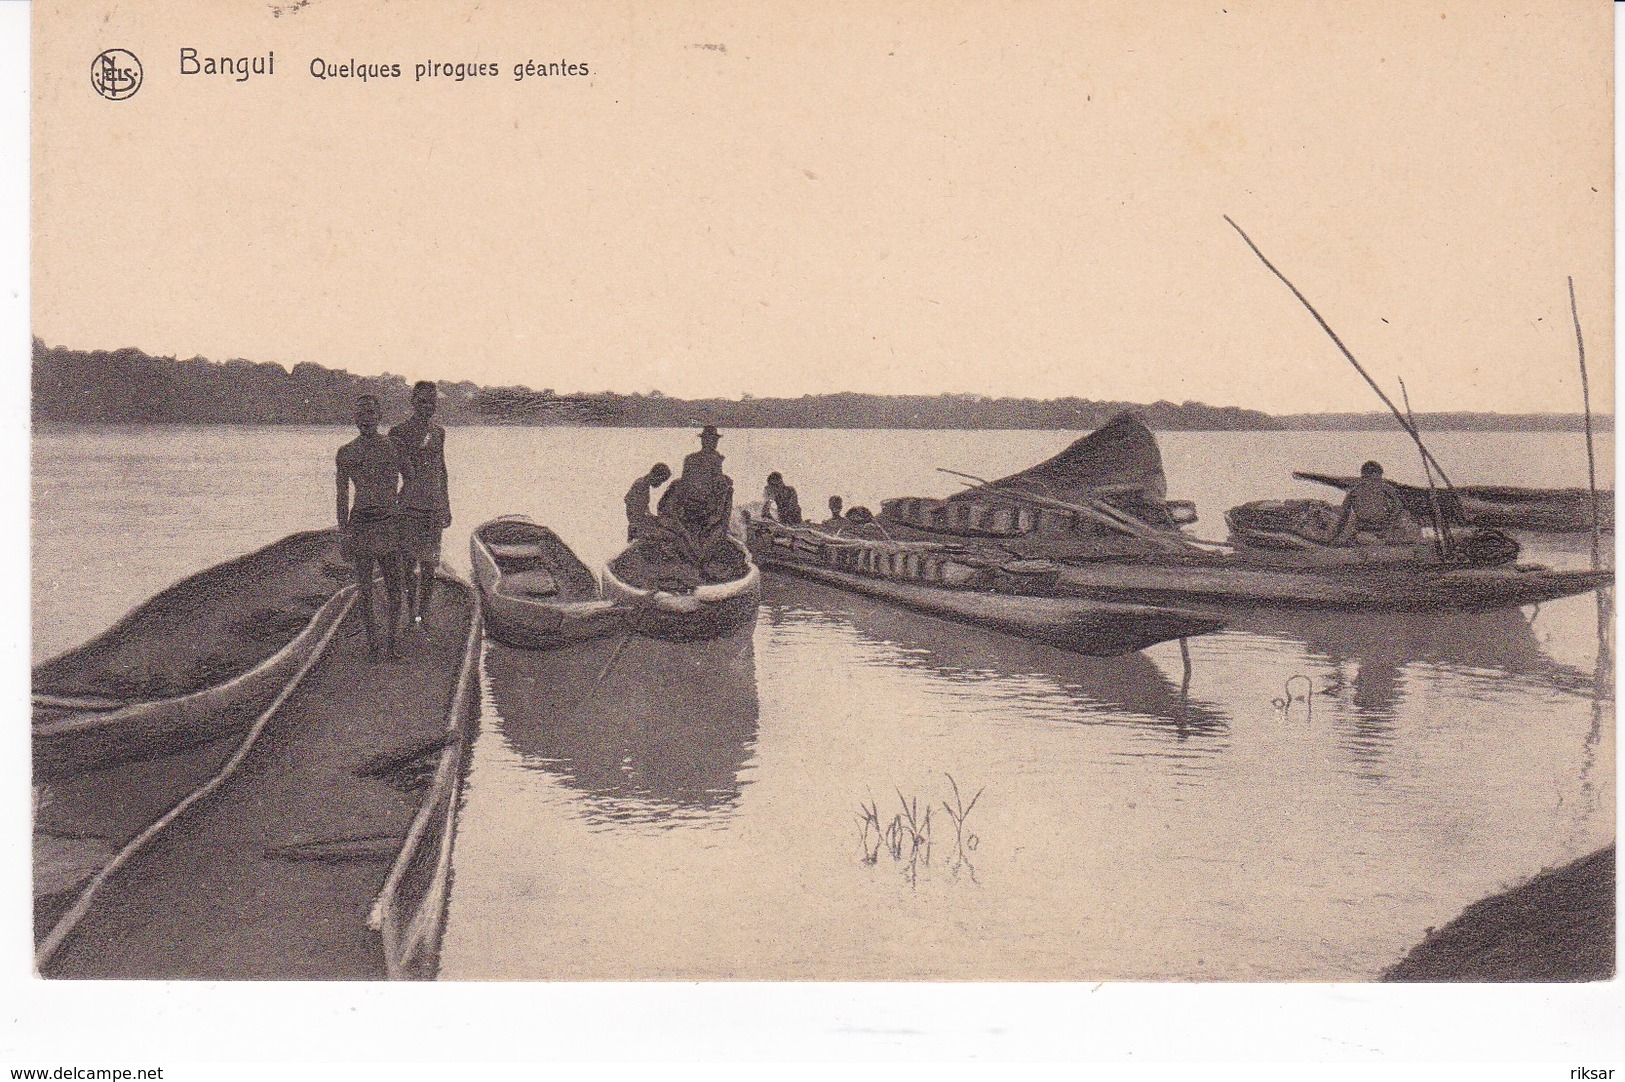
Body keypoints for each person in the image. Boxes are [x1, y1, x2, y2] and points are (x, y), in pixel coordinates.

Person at [336, 394, 405, 660]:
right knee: (364, 586)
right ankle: (373, 643)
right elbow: (342, 496)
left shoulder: (393, 446)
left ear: (379, 417)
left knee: (394, 584)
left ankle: (393, 640)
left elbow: (410, 478)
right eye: (361, 414)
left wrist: (398, 506)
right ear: (355, 419)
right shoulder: (347, 452)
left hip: (389, 522)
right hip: (362, 522)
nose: (366, 419)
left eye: (371, 413)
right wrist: (344, 533)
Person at [389, 380, 452, 630]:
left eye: (432, 402)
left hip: (434, 507)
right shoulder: (398, 433)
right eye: (423, 401)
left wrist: (446, 505)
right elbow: (393, 473)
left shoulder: (439, 432)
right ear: (413, 403)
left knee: (430, 564)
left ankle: (422, 615)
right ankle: (411, 611)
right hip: (409, 507)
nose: (428, 407)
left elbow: (442, 470)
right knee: (408, 564)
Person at [657, 426, 735, 567]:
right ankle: (721, 532)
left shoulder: (690, 459)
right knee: (729, 492)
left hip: (688, 504)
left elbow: (687, 481)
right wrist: (726, 481)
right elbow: (717, 483)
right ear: (706, 441)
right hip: (704, 508)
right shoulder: (715, 459)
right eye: (713, 440)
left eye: (715, 440)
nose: (714, 443)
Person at [1333, 460, 1422, 546]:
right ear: (1374, 474)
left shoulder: (1355, 491)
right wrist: (1390, 521)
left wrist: (1336, 536)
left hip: (1372, 528)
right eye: (1378, 475)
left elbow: (1344, 516)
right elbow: (1399, 506)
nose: (1379, 479)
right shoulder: (1382, 488)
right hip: (1374, 528)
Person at [625, 463, 672, 540]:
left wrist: (655, 519)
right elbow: (636, 511)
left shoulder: (643, 484)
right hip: (638, 526)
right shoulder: (640, 485)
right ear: (654, 475)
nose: (659, 484)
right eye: (660, 481)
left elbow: (644, 509)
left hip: (638, 524)